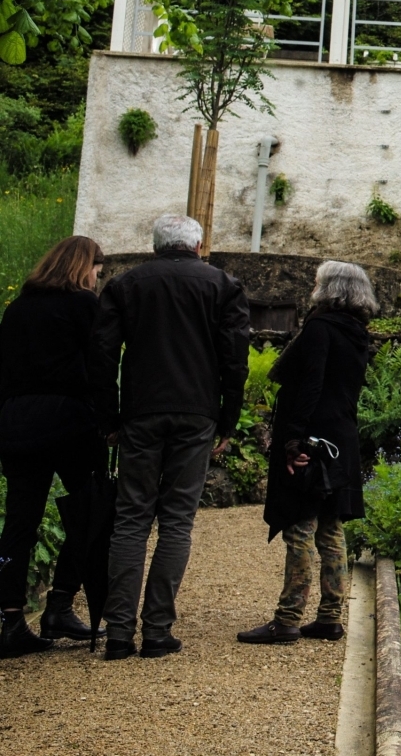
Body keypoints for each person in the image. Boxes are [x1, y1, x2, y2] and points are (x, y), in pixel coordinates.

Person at [94, 214, 251, 660]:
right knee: (177, 520)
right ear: (199, 245)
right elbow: (234, 359)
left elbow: (102, 356)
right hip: (197, 411)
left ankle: (120, 632)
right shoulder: (222, 286)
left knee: (131, 518)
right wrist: (227, 420)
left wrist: (110, 420)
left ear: (155, 245)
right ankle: (158, 630)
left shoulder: (127, 286)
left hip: (140, 411)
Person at [238, 262, 376, 645]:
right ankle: (330, 617)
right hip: (341, 436)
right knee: (331, 528)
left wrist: (295, 441)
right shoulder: (357, 332)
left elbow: (310, 386)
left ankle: (287, 619)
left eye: (318, 281)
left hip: (314, 437)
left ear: (329, 289)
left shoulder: (320, 329)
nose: (313, 286)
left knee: (300, 526)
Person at [0, 236, 111, 656]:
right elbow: (100, 364)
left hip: (17, 421)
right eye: (98, 270)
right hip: (69, 422)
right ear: (87, 266)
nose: (98, 278)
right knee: (91, 512)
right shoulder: (83, 305)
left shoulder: (18, 308)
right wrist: (108, 416)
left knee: (20, 523)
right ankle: (61, 603)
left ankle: (10, 619)